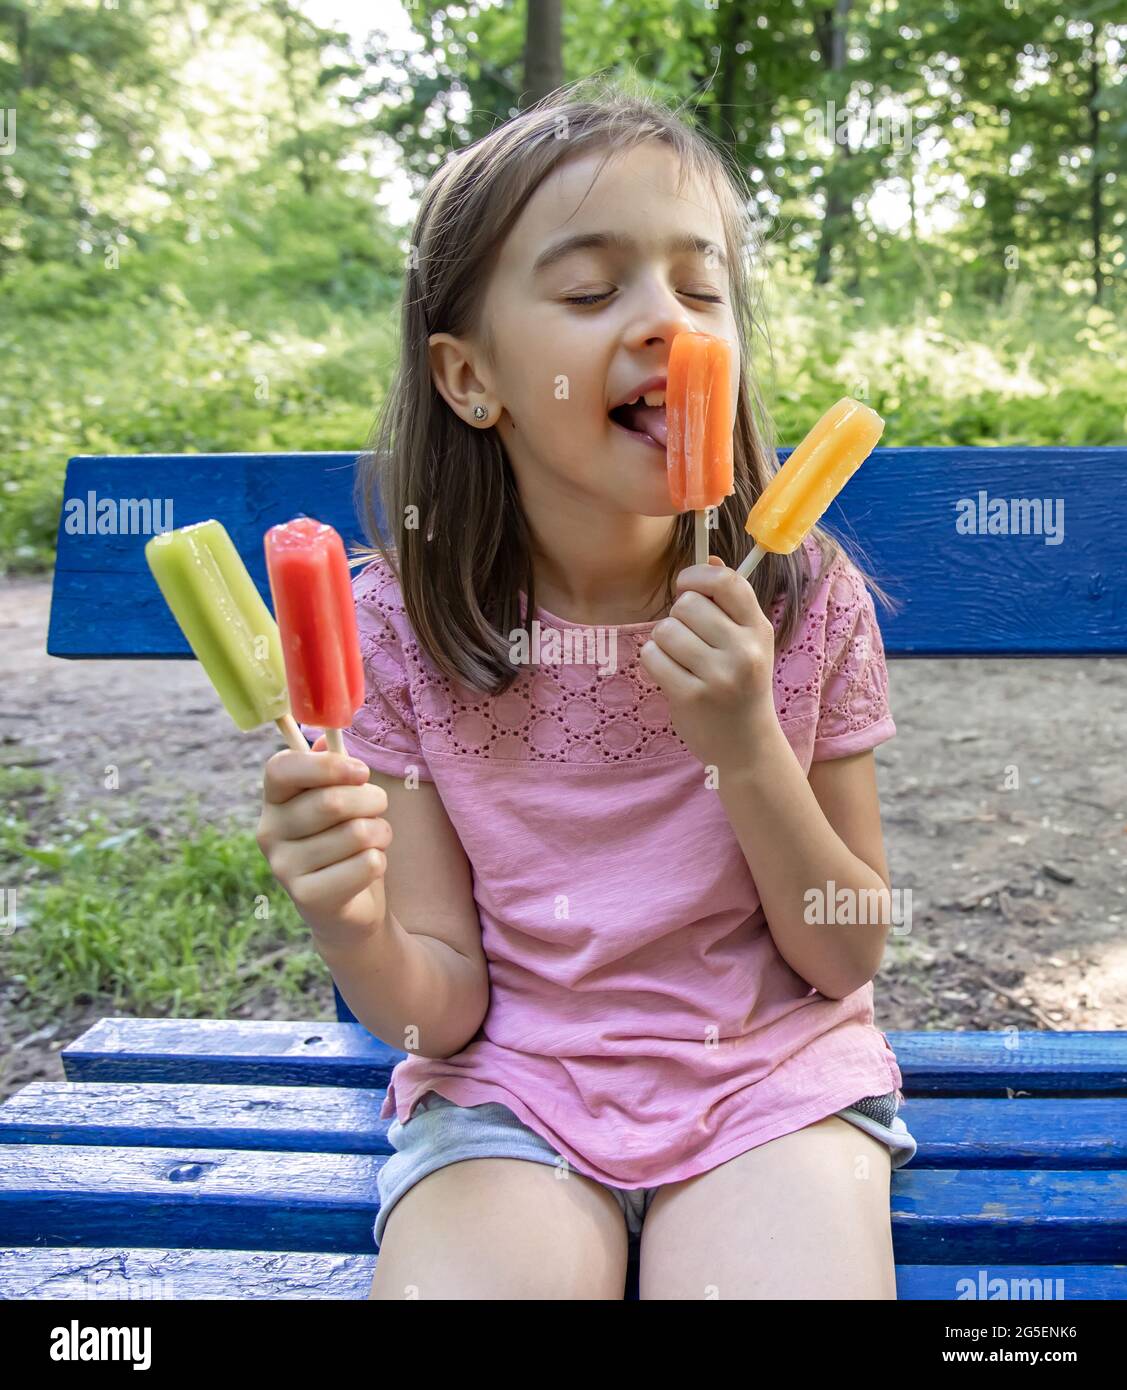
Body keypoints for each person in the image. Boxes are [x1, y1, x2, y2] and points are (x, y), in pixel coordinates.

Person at [256, 76, 917, 1301]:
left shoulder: (799, 599)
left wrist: (743, 741)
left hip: (769, 1082)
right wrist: (350, 922)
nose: (666, 318)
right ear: (470, 379)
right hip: (511, 1092)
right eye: (589, 288)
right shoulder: (395, 633)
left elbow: (843, 951)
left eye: (699, 285)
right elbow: (436, 1011)